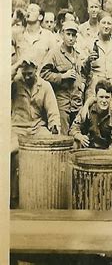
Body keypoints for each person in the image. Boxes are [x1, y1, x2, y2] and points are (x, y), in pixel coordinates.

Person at [11, 58, 60, 208]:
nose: (26, 77)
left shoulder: (45, 86)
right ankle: (13, 197)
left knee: (50, 150)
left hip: (38, 128)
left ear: (36, 70)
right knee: (10, 152)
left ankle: (44, 194)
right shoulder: (14, 82)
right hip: (17, 128)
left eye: (30, 74)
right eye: (24, 73)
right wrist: (17, 65)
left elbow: (53, 112)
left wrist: (55, 129)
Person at [40, 21, 87, 135]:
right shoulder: (55, 53)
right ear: (62, 34)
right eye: (68, 34)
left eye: (73, 35)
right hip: (62, 102)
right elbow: (42, 74)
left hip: (76, 102)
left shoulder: (79, 55)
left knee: (77, 136)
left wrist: (82, 84)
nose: (71, 38)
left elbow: (84, 73)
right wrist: (62, 76)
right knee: (63, 136)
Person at [83, 11, 112, 100]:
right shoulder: (89, 43)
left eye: (109, 23)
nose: (106, 26)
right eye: (103, 23)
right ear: (98, 24)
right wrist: (88, 60)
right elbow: (82, 68)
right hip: (94, 86)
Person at [70, 79, 112, 150]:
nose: (104, 101)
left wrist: (109, 154)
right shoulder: (87, 110)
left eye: (107, 97)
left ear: (111, 97)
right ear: (96, 96)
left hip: (105, 151)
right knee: (75, 143)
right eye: (101, 97)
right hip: (87, 148)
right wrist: (80, 136)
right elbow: (73, 129)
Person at [12, 3, 58, 67]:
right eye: (27, 10)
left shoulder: (49, 36)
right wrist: (14, 20)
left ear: (40, 17)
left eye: (32, 10)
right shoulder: (17, 33)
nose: (28, 12)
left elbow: (54, 60)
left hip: (40, 76)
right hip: (20, 76)